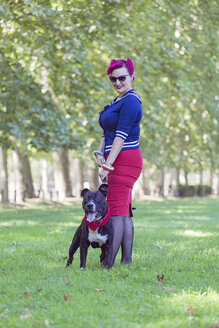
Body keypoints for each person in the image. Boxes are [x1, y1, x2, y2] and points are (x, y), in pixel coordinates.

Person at [94, 58, 143, 265]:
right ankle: (126, 260)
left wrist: (107, 165)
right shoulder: (118, 100)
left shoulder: (131, 101)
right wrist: (99, 152)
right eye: (113, 79)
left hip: (125, 160)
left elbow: (121, 136)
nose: (117, 82)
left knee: (115, 210)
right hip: (116, 158)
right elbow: (108, 132)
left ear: (132, 76)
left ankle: (108, 262)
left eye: (122, 78)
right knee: (123, 212)